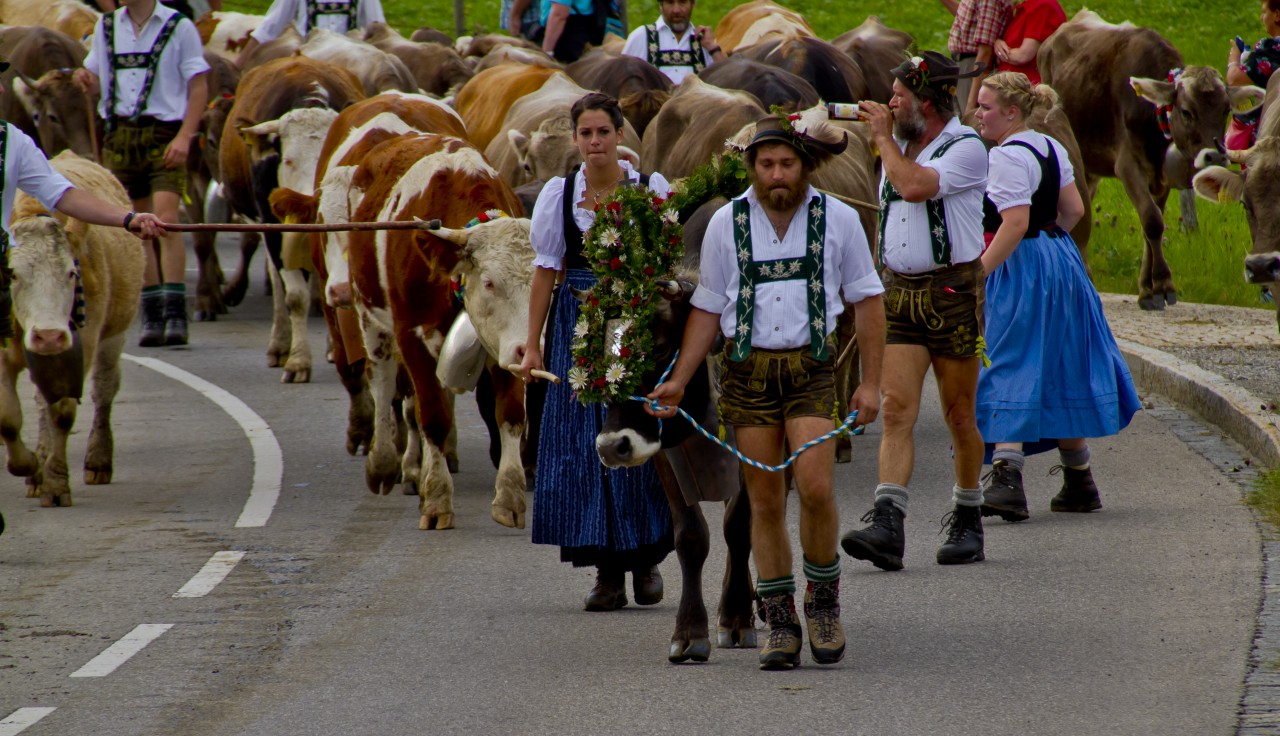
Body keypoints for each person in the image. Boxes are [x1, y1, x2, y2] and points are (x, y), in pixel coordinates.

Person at [646, 114, 886, 670]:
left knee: (818, 487)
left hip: (811, 371)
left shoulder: (840, 219)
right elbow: (708, 307)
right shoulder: (726, 224)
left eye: (787, 163)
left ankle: (823, 603)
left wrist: (871, 384)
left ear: (804, 166)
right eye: (766, 164)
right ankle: (778, 617)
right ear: (752, 168)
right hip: (747, 373)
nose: (777, 174)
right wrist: (680, 378)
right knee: (765, 497)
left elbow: (868, 301)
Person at [520, 93, 673, 613]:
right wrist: (533, 340)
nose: (595, 142)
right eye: (585, 133)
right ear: (576, 139)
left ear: (620, 134)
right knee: (584, 445)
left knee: (628, 432)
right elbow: (546, 271)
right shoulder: (559, 195)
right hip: (573, 324)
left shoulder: (650, 189)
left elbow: (669, 261)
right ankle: (607, 574)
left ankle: (645, 560)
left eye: (603, 132)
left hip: (628, 320)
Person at [841, 51, 990, 569]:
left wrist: (882, 138)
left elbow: (914, 186)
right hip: (899, 292)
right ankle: (888, 524)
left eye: (898, 95)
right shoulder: (900, 142)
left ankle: (969, 515)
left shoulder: (966, 147)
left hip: (952, 293)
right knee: (898, 409)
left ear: (926, 101)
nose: (889, 103)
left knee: (958, 413)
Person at [972, 71, 1141, 522]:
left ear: (1011, 112)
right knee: (1061, 361)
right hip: (1060, 261)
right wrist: (1052, 247)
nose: (977, 114)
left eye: (985, 107)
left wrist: (980, 273)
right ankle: (1079, 480)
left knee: (1009, 355)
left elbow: (1014, 223)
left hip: (1020, 264)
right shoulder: (1051, 147)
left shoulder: (1006, 156)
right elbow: (1074, 209)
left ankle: (1007, 479)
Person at [75, 0, 209, 348]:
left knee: (165, 221)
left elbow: (198, 86)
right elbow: (96, 79)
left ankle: (175, 310)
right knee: (137, 225)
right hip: (119, 136)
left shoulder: (179, 26)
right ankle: (151, 311)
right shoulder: (105, 27)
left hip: (164, 134)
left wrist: (185, 136)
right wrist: (86, 80)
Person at [232, 0, 386, 69]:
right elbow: (269, 28)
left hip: (349, 70)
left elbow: (379, 30)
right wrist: (238, 66)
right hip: (305, 66)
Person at [620, 0, 726, 85]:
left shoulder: (704, 43)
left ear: (693, 4)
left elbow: (727, 84)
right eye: (670, 2)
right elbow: (620, 80)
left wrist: (713, 48)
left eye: (682, 2)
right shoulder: (641, 37)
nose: (676, 10)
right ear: (661, 5)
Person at [940, 0, 1012, 115]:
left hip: (972, 65)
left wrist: (971, 105)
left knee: (968, 119)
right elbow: (969, 20)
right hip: (962, 63)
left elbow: (985, 51)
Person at [1226, 0, 1280, 152]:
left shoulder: (1271, 49)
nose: (1261, 17)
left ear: (1276, 15)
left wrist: (1234, 60)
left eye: (1264, 12)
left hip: (1269, 139)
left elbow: (1235, 80)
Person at [993, 0, 1065, 83]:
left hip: (1024, 88)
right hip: (1013, 85)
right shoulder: (1028, 7)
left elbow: (1024, 55)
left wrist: (999, 52)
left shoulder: (1043, 6)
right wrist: (998, 43)